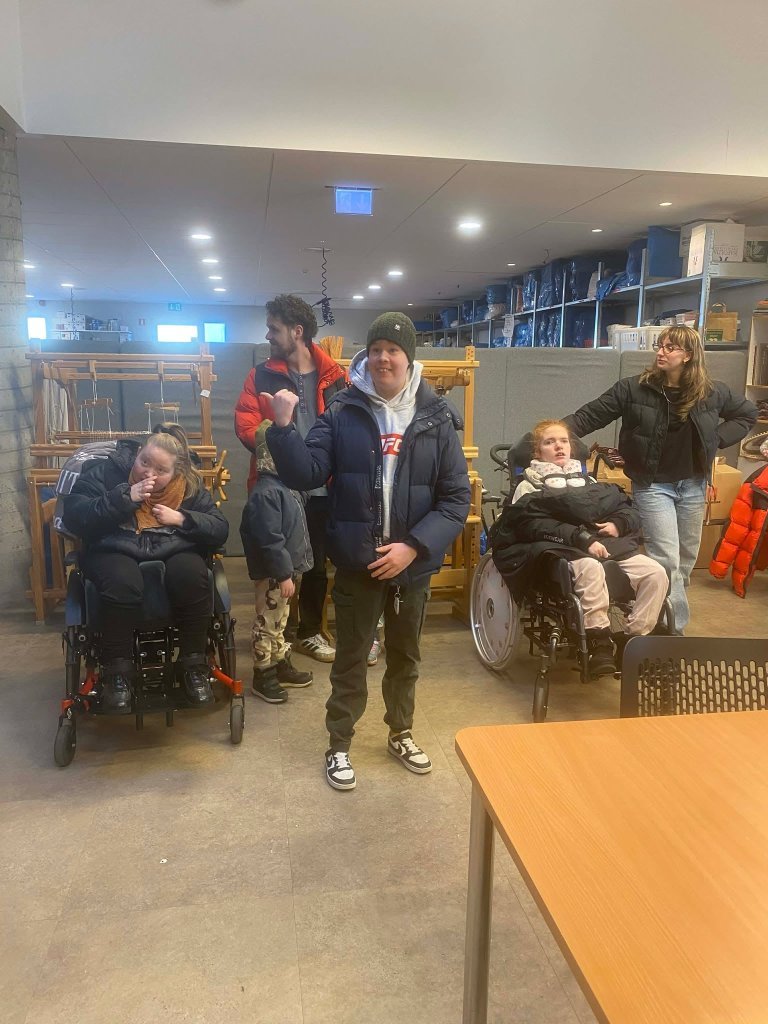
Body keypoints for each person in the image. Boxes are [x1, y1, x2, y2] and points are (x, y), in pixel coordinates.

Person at [266, 312, 471, 791]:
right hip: (359, 562)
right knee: (351, 659)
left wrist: (413, 547)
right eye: (376, 349)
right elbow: (306, 473)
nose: (383, 358)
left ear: (408, 358)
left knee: (405, 657)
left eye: (393, 350)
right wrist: (283, 428)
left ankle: (401, 732)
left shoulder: (436, 416)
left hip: (411, 569)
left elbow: (455, 498)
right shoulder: (343, 409)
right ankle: (339, 744)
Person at [563, 325, 757, 633]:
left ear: (688, 355)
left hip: (693, 485)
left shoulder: (711, 392)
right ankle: (671, 630)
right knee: (666, 558)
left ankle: (658, 613)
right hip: (653, 486)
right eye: (660, 346)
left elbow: (747, 413)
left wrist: (717, 439)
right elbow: (589, 416)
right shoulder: (633, 389)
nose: (661, 352)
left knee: (685, 560)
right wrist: (552, 434)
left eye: (670, 347)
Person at [62, 424, 229, 714]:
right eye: (144, 462)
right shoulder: (103, 473)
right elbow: (75, 516)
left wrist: (182, 519)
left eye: (161, 470)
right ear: (138, 453)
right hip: (114, 547)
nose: (148, 473)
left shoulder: (188, 486)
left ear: (175, 473)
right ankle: (117, 675)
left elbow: (220, 528)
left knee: (192, 576)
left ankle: (193, 667)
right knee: (122, 582)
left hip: (172, 546)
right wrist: (125, 498)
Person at [492, 420, 669, 675]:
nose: (559, 446)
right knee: (589, 567)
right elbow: (531, 525)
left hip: (602, 544)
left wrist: (618, 524)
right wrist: (582, 538)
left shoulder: (589, 482)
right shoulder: (528, 485)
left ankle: (633, 642)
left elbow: (625, 508)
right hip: (557, 548)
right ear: (538, 452)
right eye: (549, 442)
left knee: (655, 573)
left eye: (563, 441)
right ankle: (599, 642)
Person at [234, 294, 346, 664]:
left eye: (274, 328)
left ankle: (309, 632)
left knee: (315, 565)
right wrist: (284, 449)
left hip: (323, 488)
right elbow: (246, 426)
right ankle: (274, 647)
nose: (268, 335)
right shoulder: (260, 375)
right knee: (277, 568)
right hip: (279, 490)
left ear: (297, 331)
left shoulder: (336, 377)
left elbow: (346, 428)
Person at [239, 422, 314, 704]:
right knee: (267, 623)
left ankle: (279, 663)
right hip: (274, 573)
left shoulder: (286, 487)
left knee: (280, 621)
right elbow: (270, 539)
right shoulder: (266, 493)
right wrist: (283, 574)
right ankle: (263, 673)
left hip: (287, 571)